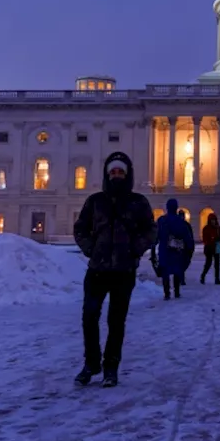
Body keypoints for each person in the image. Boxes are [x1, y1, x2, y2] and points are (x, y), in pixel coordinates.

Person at [72, 152, 155, 388]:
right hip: (97, 269)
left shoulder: (138, 202)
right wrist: (91, 249)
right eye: (113, 172)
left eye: (120, 172)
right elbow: (80, 229)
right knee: (89, 317)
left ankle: (111, 367)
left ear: (126, 175)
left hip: (123, 271)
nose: (116, 175)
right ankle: (91, 364)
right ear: (108, 175)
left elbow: (150, 230)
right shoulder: (95, 201)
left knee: (116, 321)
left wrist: (135, 249)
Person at [153, 198, 193, 300]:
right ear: (176, 207)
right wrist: (189, 249)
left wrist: (153, 247)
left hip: (164, 249)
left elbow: (155, 236)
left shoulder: (161, 220)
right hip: (176, 250)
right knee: (177, 270)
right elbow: (187, 237)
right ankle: (177, 291)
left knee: (165, 271)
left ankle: (167, 293)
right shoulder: (181, 221)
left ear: (167, 207)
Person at [200, 213, 220, 285]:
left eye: (214, 220)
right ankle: (203, 276)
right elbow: (205, 239)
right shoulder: (206, 228)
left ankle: (217, 278)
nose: (213, 221)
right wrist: (211, 241)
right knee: (208, 263)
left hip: (216, 247)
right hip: (209, 248)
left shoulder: (217, 228)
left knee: (217, 264)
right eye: (212, 220)